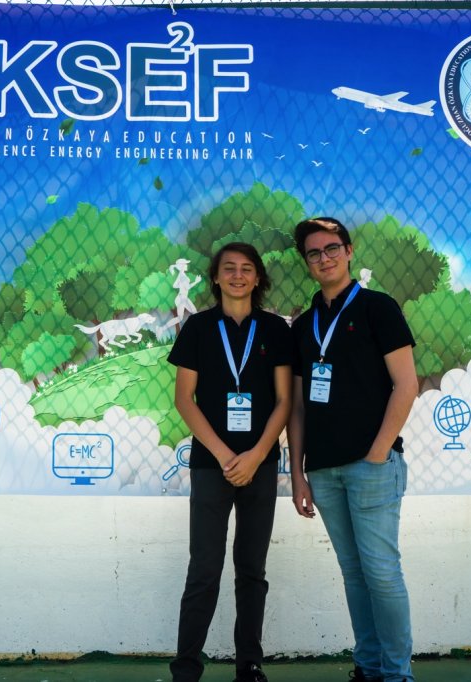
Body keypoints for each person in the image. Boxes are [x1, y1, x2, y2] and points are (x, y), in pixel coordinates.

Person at [287, 218, 418, 682]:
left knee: (381, 572)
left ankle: (397, 675)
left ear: (348, 250)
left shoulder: (378, 308)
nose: (324, 258)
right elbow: (297, 406)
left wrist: (378, 452)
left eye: (331, 248)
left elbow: (407, 384)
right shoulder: (303, 325)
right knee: (354, 573)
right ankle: (368, 666)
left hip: (372, 466)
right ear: (306, 262)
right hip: (324, 470)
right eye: (314, 253)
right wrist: (298, 473)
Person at [168, 242, 293, 682]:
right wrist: (225, 456)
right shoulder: (198, 328)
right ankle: (186, 668)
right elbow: (184, 399)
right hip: (211, 465)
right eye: (229, 268)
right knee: (204, 568)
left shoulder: (275, 329)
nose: (238, 275)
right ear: (216, 277)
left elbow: (284, 401)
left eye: (246, 269)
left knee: (252, 570)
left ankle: (249, 664)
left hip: (260, 464)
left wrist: (256, 455)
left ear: (258, 278)